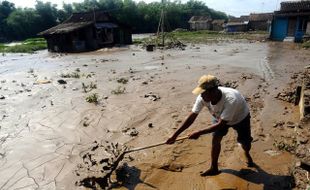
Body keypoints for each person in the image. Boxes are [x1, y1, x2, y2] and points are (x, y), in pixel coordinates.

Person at [166, 75, 254, 176]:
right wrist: (175, 135)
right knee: (215, 139)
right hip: (220, 117)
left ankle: (246, 152)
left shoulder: (231, 99)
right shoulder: (203, 97)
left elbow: (221, 124)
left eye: (203, 93)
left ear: (214, 91)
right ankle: (214, 168)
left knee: (245, 142)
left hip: (240, 118)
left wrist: (199, 132)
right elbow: (192, 116)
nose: (201, 96)